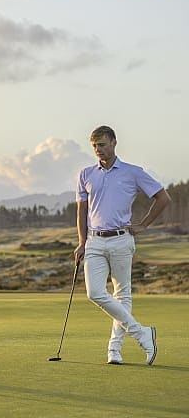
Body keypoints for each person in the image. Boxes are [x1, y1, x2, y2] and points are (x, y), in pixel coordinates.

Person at [74, 125, 170, 365]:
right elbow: (82, 211)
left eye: (102, 145)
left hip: (121, 239)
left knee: (122, 295)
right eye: (94, 146)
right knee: (95, 293)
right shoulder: (85, 174)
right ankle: (142, 333)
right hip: (94, 241)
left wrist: (143, 225)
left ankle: (114, 350)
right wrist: (81, 242)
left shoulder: (133, 172)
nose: (98, 149)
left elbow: (163, 198)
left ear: (114, 143)